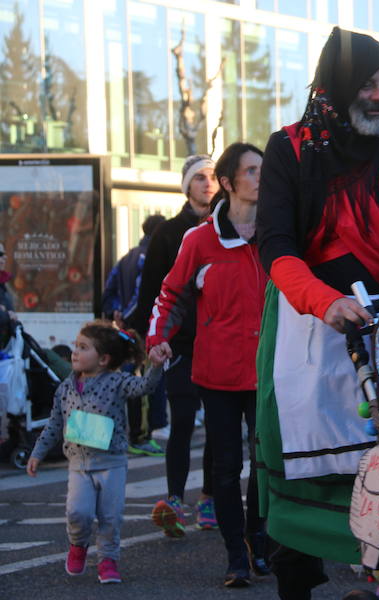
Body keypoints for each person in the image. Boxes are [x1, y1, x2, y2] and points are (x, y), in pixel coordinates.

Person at [255, 27, 379, 599]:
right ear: (339, 85)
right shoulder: (289, 148)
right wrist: (326, 301)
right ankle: (295, 583)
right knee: (303, 460)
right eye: (368, 84)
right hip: (308, 324)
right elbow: (276, 245)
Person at [148, 143, 268, 587]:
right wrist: (157, 338)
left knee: (265, 464)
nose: (261, 177)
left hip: (268, 373)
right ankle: (236, 556)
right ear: (228, 182)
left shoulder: (278, 235)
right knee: (225, 467)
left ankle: (258, 538)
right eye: (252, 170)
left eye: (264, 170)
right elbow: (170, 294)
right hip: (217, 373)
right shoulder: (199, 239)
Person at [26, 320, 170, 584]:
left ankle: (108, 560)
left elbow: (144, 388)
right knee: (77, 513)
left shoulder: (116, 382)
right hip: (79, 465)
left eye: (83, 347)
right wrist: (37, 453)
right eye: (75, 347)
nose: (75, 353)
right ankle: (78, 544)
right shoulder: (65, 388)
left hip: (112, 463)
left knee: (110, 516)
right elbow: (54, 424)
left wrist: (156, 366)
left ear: (103, 359)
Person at [128, 155, 219, 535]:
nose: (207, 183)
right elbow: (153, 291)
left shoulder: (229, 227)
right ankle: (175, 499)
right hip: (180, 344)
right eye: (199, 178)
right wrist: (152, 338)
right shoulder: (169, 232)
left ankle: (210, 498)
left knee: (219, 426)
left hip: (220, 343)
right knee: (182, 421)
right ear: (186, 186)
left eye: (213, 177)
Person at [102, 214, 168, 458]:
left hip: (127, 328)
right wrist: (128, 318)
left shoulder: (127, 255)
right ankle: (142, 435)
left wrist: (115, 313)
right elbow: (142, 296)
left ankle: (136, 433)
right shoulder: (148, 256)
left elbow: (109, 290)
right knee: (147, 380)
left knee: (132, 377)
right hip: (141, 328)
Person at [0, 242, 15, 319]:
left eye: (4, 254)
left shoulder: (4, 284)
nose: (5, 257)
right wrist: (6, 314)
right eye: (0, 254)